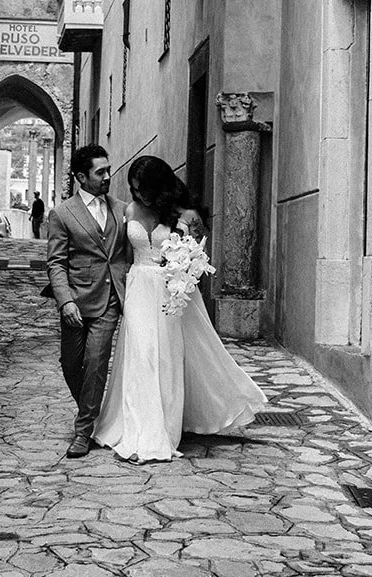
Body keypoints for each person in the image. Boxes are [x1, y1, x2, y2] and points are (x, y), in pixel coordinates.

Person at [93, 155, 266, 462]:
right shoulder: (130, 210)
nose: (139, 195)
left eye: (144, 189)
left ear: (159, 187)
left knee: (166, 358)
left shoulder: (182, 214)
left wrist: (182, 268)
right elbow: (119, 255)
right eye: (134, 189)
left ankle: (163, 429)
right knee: (140, 356)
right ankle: (138, 430)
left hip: (169, 291)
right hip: (137, 290)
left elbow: (197, 257)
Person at [47, 144, 130, 458]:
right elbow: (56, 263)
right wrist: (65, 301)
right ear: (81, 177)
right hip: (77, 300)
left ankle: (83, 431)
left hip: (110, 298)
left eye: (108, 169)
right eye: (100, 172)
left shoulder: (122, 209)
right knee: (71, 365)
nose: (108, 176)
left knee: (96, 364)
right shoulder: (62, 213)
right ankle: (90, 409)